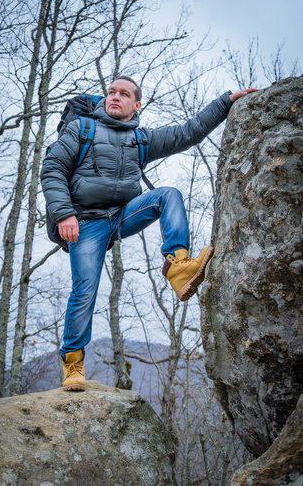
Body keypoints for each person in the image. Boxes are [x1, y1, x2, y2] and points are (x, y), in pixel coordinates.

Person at [40, 76, 258, 391]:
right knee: (85, 290)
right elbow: (53, 169)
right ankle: (73, 363)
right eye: (111, 92)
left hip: (120, 217)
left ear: (136, 104)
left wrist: (226, 102)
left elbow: (188, 132)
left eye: (123, 94)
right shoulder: (82, 129)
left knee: (167, 194)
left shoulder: (141, 140)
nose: (114, 97)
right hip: (84, 222)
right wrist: (64, 213)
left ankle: (179, 266)